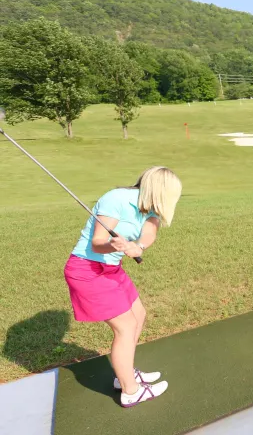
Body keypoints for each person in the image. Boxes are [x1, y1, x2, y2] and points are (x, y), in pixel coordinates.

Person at [63, 167, 182, 408]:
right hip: (87, 270)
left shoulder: (151, 210)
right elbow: (97, 244)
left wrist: (137, 246)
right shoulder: (116, 198)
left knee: (139, 315)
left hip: (111, 270)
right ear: (158, 191)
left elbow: (149, 233)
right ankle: (130, 391)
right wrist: (115, 246)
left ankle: (124, 372)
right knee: (126, 327)